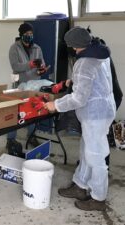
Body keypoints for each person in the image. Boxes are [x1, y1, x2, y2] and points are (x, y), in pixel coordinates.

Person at [44, 27, 116, 211]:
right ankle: (80, 185)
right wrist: (72, 82)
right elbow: (95, 81)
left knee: (95, 157)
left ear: (75, 45)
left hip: (95, 113)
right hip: (103, 109)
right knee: (87, 151)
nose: (72, 49)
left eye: (71, 46)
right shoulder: (100, 52)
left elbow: (78, 98)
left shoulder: (84, 62)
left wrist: (56, 105)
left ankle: (98, 198)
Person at [7, 22, 49, 150]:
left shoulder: (37, 48)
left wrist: (42, 70)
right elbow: (15, 66)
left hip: (34, 84)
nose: (29, 36)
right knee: (16, 113)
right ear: (21, 35)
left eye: (31, 34)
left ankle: (31, 136)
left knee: (34, 112)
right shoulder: (14, 48)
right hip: (20, 85)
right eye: (26, 34)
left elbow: (42, 64)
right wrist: (29, 64)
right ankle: (10, 140)